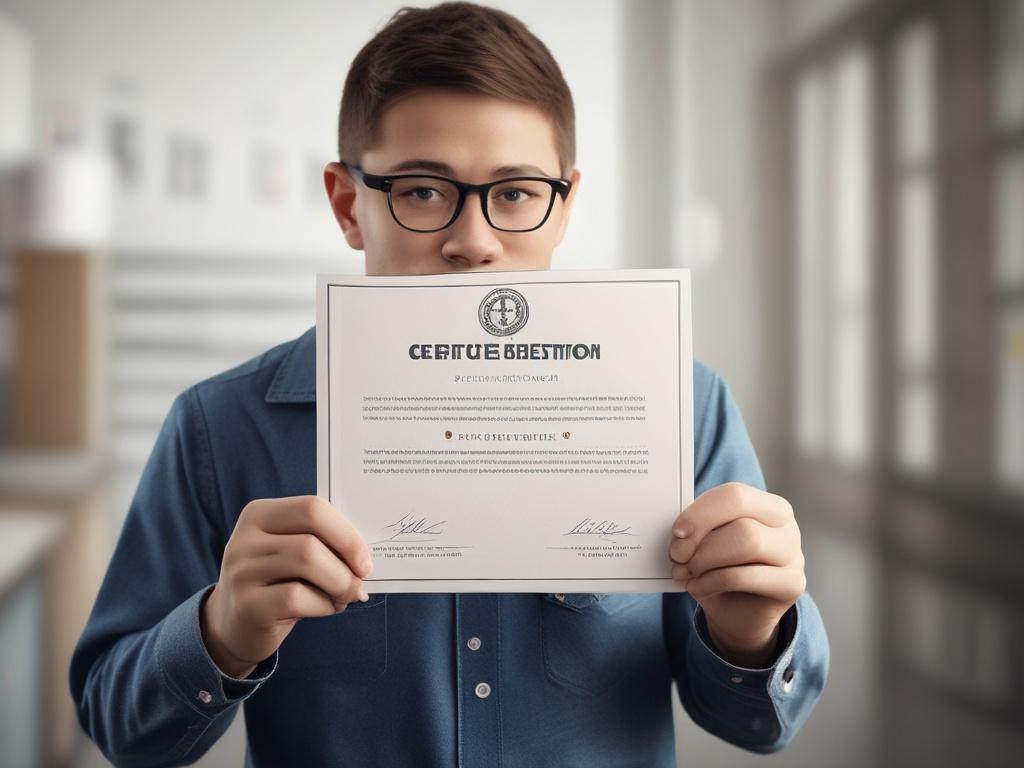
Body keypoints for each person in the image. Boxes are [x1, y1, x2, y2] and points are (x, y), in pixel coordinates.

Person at [70, 3, 829, 766]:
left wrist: (750, 634)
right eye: (424, 191)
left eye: (516, 193)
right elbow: (118, 725)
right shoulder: (219, 426)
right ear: (348, 205)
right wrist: (221, 632)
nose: (473, 242)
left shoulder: (684, 408)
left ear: (563, 208)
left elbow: (759, 727)